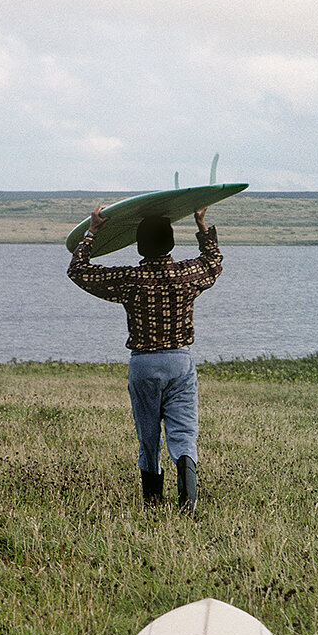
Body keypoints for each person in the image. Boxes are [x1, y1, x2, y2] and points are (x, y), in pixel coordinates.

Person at [67, 205, 223, 512]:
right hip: (180, 362)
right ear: (172, 244)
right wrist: (202, 224)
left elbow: (79, 271)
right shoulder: (187, 275)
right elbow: (213, 263)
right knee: (184, 434)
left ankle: (152, 505)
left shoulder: (130, 279)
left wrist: (92, 233)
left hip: (143, 364)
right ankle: (187, 504)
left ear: (138, 246)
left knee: (148, 436)